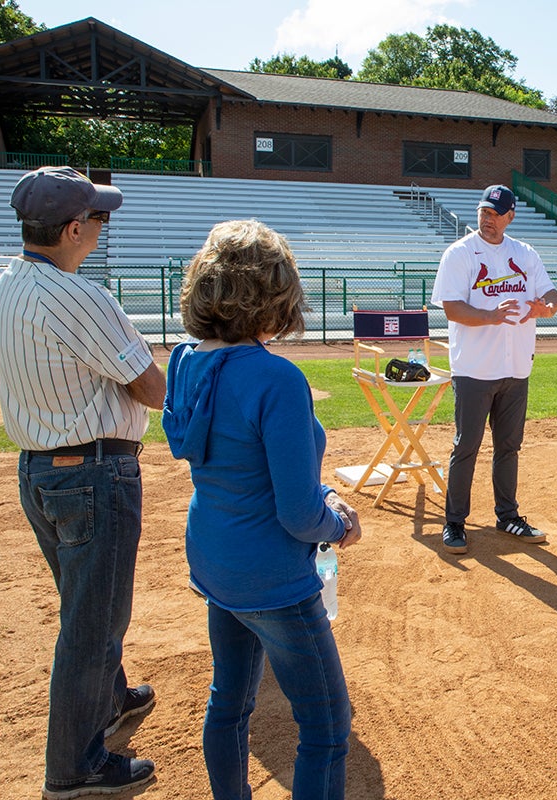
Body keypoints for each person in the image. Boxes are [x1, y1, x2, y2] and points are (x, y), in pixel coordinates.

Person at [162, 219, 362, 800]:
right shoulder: (276, 377)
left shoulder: (185, 361)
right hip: (272, 575)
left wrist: (319, 501)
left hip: (214, 557)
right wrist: (341, 523)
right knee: (326, 725)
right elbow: (299, 514)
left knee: (229, 702)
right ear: (275, 295)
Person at [0, 166, 165, 799]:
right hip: (92, 469)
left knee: (85, 606)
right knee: (94, 624)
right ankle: (74, 767)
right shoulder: (79, 295)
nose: (100, 227)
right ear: (71, 229)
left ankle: (111, 701)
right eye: (96, 218)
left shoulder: (7, 282)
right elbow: (151, 385)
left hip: (41, 468)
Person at [430, 184, 557, 554]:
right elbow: (453, 308)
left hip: (516, 367)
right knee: (466, 446)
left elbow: (552, 296)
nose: (488, 219)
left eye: (496, 213)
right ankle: (454, 522)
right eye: (484, 212)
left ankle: (507, 516)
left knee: (509, 446)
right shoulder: (460, 254)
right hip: (474, 369)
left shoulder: (524, 253)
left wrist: (544, 308)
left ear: (510, 217)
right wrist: (491, 315)